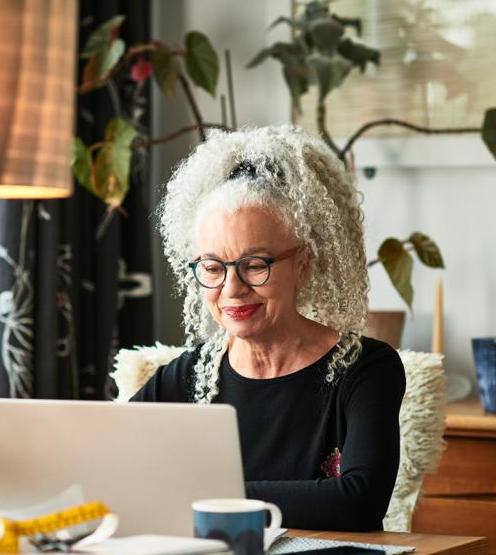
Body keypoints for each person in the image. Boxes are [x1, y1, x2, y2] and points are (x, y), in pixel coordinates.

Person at [131, 125, 406, 531]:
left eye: (255, 265)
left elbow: (359, 502)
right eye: (212, 267)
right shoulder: (187, 377)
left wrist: (207, 496)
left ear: (302, 265)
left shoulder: (365, 369)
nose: (232, 288)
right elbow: (112, 470)